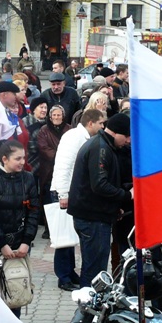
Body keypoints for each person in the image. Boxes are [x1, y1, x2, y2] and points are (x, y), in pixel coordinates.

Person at [68, 111, 131, 287]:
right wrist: (126, 195)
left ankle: (91, 309)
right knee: (94, 270)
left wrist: (114, 206)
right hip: (92, 218)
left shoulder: (104, 145)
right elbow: (100, 185)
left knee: (94, 267)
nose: (128, 141)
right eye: (126, 136)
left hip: (96, 215)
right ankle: (88, 311)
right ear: (115, 132)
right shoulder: (100, 148)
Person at [50, 108, 105, 290]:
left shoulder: (85, 138)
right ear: (91, 123)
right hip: (63, 192)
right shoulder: (74, 137)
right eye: (101, 123)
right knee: (63, 237)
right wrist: (63, 194)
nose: (102, 127)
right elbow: (63, 166)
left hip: (72, 193)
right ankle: (63, 276)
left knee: (70, 236)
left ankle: (70, 271)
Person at [0, 139, 39, 317]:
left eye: (24, 158)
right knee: (1, 287)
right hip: (0, 246)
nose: (23, 162)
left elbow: (34, 212)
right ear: (5, 159)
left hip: (21, 242)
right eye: (18, 159)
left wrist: (26, 242)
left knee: (18, 287)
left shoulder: (28, 178)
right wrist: (2, 244)